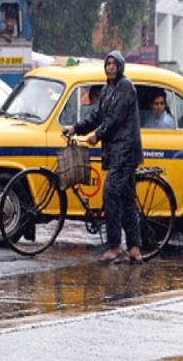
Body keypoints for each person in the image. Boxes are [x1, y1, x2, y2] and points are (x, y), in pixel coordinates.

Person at [63, 51, 144, 264]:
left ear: (120, 66)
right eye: (107, 64)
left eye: (113, 64)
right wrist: (76, 129)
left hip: (126, 151)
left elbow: (115, 118)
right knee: (126, 199)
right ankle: (135, 248)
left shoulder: (126, 87)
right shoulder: (107, 89)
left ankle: (115, 246)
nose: (110, 67)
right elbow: (97, 116)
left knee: (110, 193)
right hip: (115, 151)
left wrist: (97, 135)